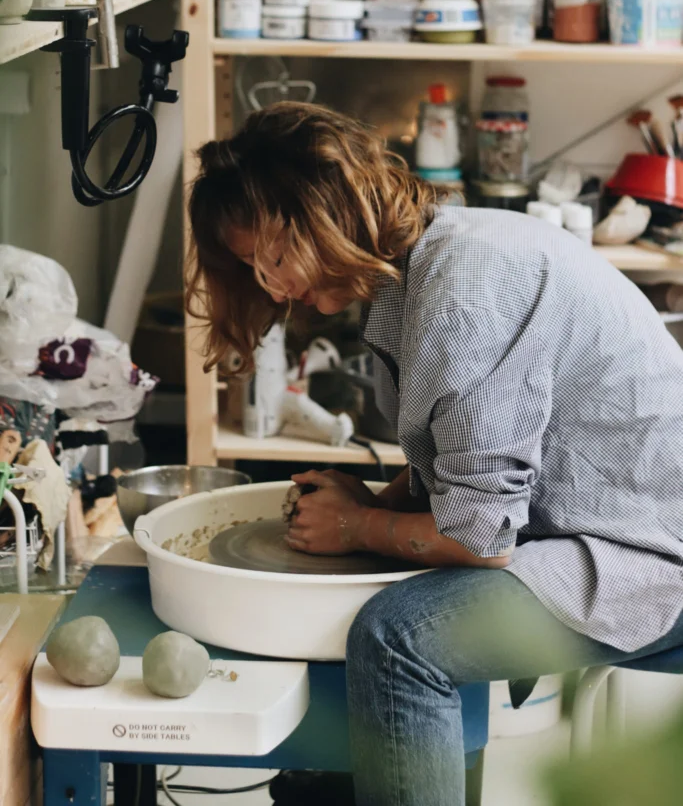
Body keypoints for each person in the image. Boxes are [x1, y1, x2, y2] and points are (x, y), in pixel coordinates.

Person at [187, 102, 683, 806]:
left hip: (649, 557)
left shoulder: (462, 295)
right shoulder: (435, 257)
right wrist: (375, 505)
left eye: (270, 254)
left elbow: (480, 539)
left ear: (326, 207)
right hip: (589, 523)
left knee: (397, 638)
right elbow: (462, 467)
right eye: (248, 266)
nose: (269, 286)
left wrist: (360, 527)